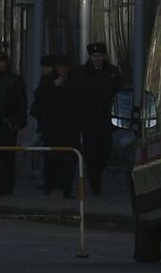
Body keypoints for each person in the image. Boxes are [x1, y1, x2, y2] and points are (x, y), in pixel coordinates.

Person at [33, 54, 83, 197]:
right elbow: (39, 95)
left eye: (66, 67)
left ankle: (66, 188)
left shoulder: (75, 80)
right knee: (51, 159)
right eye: (61, 67)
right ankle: (49, 186)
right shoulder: (48, 79)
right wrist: (53, 85)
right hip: (53, 127)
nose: (63, 70)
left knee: (69, 159)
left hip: (70, 127)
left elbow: (80, 100)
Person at [80, 41, 125, 194]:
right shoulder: (83, 72)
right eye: (94, 56)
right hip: (89, 121)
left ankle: (97, 174)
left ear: (104, 56)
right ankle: (95, 184)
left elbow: (120, 93)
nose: (96, 59)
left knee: (105, 153)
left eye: (99, 56)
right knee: (91, 154)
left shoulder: (112, 72)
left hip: (106, 120)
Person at [0, 50, 27, 195]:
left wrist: (20, 121)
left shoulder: (14, 80)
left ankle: (6, 186)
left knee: (7, 156)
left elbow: (21, 101)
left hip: (9, 123)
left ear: (5, 62)